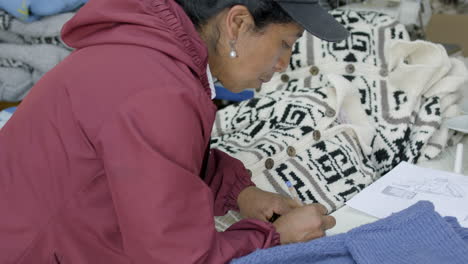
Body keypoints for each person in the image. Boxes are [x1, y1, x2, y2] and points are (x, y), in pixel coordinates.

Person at [0, 0, 349, 263]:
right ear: (238, 23)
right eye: (286, 44)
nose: (283, 64)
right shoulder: (158, 93)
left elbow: (154, 160)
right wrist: (275, 237)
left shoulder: (143, 55)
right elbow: (177, 258)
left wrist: (238, 193)